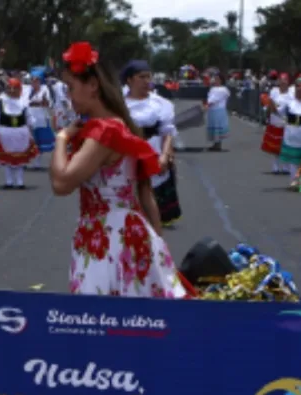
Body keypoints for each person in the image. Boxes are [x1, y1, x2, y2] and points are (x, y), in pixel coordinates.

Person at [51, 41, 192, 298]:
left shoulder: (104, 131)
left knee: (101, 314)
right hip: (125, 231)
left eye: (71, 87)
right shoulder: (119, 126)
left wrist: (61, 139)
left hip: (108, 237)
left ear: (93, 85)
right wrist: (159, 244)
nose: (69, 96)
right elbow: (145, 193)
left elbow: (61, 184)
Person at [122, 60, 181, 226]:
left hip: (153, 151)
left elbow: (167, 132)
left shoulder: (160, 103)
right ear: (129, 80)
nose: (147, 81)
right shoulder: (120, 103)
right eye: (142, 77)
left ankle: (154, 231)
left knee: (151, 195)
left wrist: (165, 156)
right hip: (126, 153)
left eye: (148, 77)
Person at [0, 78, 39, 188]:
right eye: (9, 88)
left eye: (15, 88)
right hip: (5, 132)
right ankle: (8, 181)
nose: (12, 90)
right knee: (7, 157)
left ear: (19, 89)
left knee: (20, 157)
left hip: (21, 132)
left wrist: (31, 134)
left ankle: (20, 181)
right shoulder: (1, 101)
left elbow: (29, 119)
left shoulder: (23, 102)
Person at [262, 73, 293, 172]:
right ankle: (275, 165)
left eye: (285, 80)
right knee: (275, 145)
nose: (283, 82)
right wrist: (268, 116)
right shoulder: (274, 91)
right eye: (281, 80)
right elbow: (270, 105)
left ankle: (286, 166)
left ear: (288, 81)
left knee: (286, 145)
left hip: (286, 121)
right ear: (278, 81)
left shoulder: (291, 93)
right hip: (275, 120)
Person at [202, 72, 231, 151]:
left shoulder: (223, 89)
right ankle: (215, 144)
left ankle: (218, 145)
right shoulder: (213, 88)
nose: (215, 80)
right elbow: (210, 98)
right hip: (212, 110)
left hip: (219, 110)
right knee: (213, 126)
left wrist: (208, 104)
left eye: (217, 79)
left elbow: (215, 99)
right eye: (215, 79)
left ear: (221, 80)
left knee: (218, 126)